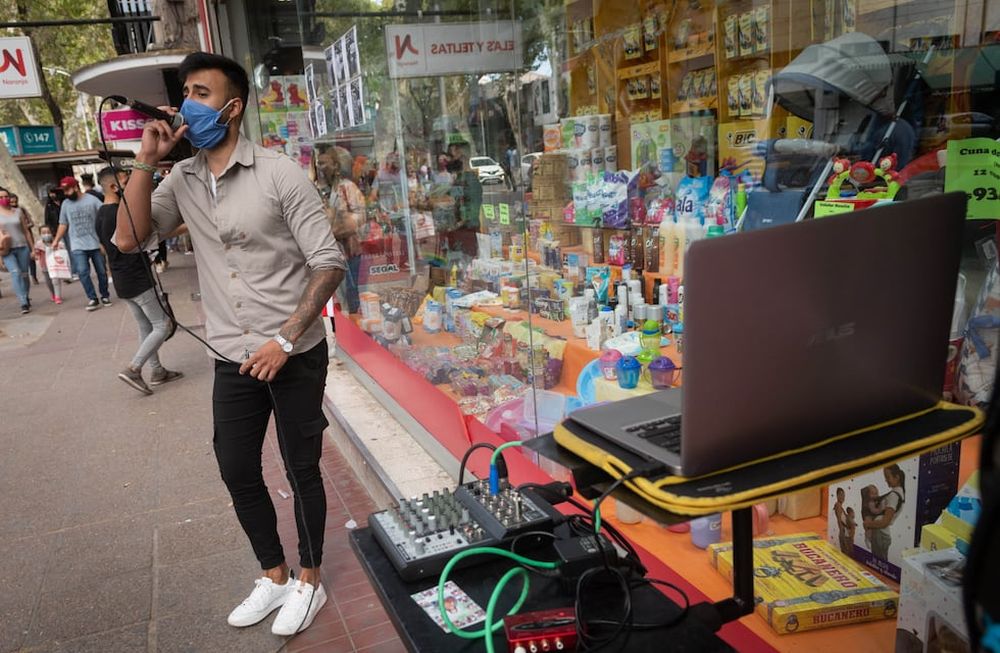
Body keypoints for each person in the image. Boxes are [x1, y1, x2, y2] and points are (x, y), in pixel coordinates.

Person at [115, 51, 345, 636]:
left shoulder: (278, 172)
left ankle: (309, 581)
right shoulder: (180, 180)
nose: (187, 103)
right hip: (230, 355)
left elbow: (328, 263)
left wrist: (285, 339)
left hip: (292, 351)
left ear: (233, 107)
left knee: (302, 468)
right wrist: (146, 159)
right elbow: (128, 238)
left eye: (200, 91)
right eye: (184, 92)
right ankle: (273, 575)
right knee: (236, 466)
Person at [95, 166, 184, 394]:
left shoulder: (101, 214)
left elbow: (105, 249)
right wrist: (185, 226)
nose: (133, 187)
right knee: (163, 325)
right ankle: (133, 368)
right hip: (137, 278)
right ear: (114, 187)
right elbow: (145, 237)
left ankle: (157, 371)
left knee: (146, 326)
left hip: (123, 280)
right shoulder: (120, 214)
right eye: (127, 181)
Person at [53, 176, 111, 310]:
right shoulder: (65, 204)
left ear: (76, 187)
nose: (66, 193)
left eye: (68, 190)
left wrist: (104, 240)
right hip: (77, 244)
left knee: (102, 272)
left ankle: (104, 295)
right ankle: (92, 298)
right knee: (82, 272)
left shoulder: (92, 200)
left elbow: (103, 217)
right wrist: (56, 240)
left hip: (96, 243)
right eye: (64, 190)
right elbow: (63, 223)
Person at [317, 146, 363, 314]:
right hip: (334, 251)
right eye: (318, 164)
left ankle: (356, 329)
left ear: (336, 165)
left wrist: (337, 229)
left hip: (349, 249)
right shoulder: (325, 190)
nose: (320, 168)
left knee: (352, 294)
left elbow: (360, 217)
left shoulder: (347, 187)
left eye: (324, 163)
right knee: (339, 296)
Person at [0, 187, 35, 313]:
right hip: (6, 250)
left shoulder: (18, 212)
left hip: (22, 247)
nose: (4, 199)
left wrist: (32, 248)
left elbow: (26, 231)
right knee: (15, 273)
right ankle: (23, 302)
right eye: (1, 197)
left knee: (24, 274)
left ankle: (25, 296)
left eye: (6, 196)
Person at [864, 464, 906, 561]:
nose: (886, 480)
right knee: (880, 560)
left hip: (880, 533)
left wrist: (869, 524)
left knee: (878, 561)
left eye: (888, 477)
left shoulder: (894, 496)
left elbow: (885, 522)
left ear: (897, 477)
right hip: (882, 534)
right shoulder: (898, 493)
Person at [10, 193, 40, 284]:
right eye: (12, 202)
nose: (14, 203)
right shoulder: (6, 212)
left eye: (15, 201)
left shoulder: (21, 210)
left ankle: (33, 276)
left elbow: (31, 223)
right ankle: (22, 276)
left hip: (27, 237)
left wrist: (24, 226)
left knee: (31, 257)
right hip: (15, 239)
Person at [33, 225, 64, 304]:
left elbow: (62, 249)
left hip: (55, 266)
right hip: (45, 266)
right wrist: (36, 253)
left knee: (55, 281)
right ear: (40, 234)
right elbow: (36, 254)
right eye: (43, 233)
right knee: (49, 282)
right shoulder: (39, 244)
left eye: (48, 232)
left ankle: (58, 296)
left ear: (51, 233)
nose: (46, 234)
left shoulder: (56, 242)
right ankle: (53, 293)